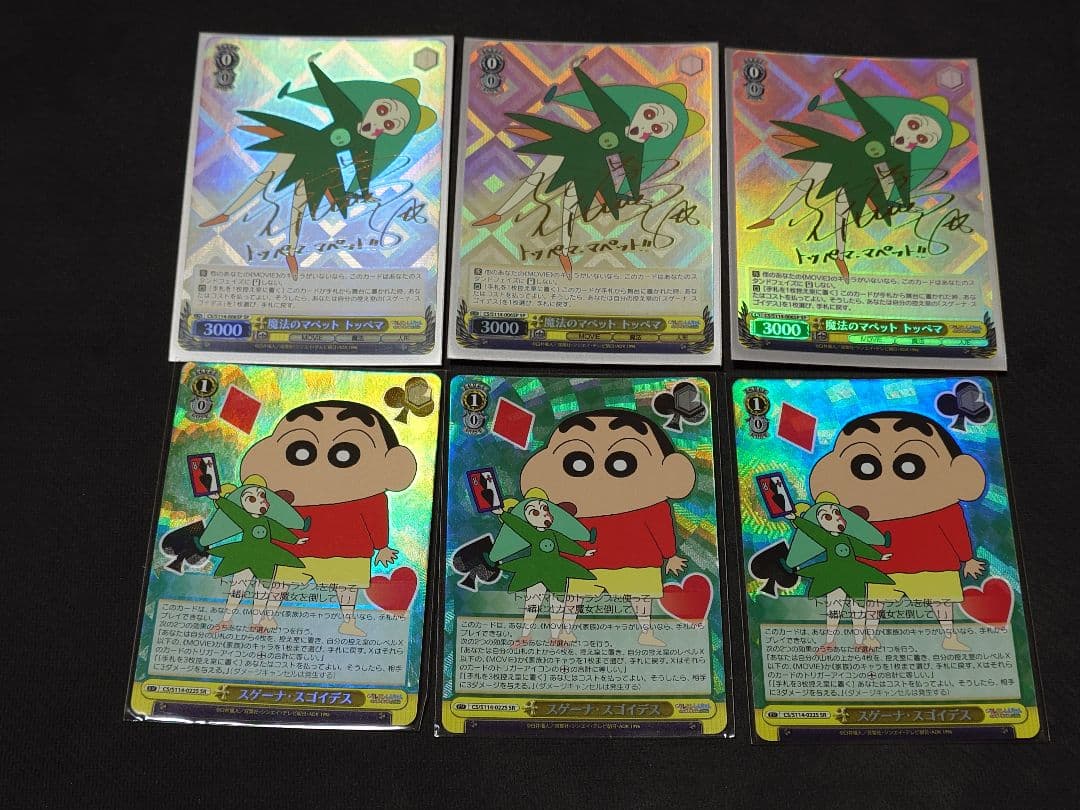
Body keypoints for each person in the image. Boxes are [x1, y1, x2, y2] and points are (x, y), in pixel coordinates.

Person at [809, 410, 987, 651]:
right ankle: (870, 636)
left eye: (910, 465)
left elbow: (955, 531)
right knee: (874, 602)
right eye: (865, 466)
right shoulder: (855, 517)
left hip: (934, 564)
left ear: (958, 473)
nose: (886, 480)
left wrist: (967, 558)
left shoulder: (944, 509)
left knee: (941, 600)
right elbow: (852, 541)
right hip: (882, 567)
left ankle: (949, 636)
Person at [519, 408, 695, 647]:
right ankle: (567, 631)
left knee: (640, 597)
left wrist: (670, 555)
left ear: (670, 472)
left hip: (638, 561)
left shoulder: (652, 507)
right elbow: (559, 535)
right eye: (577, 463)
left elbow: (661, 529)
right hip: (586, 562)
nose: (599, 476)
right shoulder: (565, 512)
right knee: (575, 596)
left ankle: (645, 632)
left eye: (623, 463)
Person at [240, 400, 418, 636]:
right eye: (300, 452)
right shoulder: (280, 497)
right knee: (281, 582)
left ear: (392, 465)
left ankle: (348, 622)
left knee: (346, 586)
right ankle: (268, 616)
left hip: (348, 551)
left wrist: (382, 546)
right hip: (296, 549)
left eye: (346, 454)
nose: (320, 466)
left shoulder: (369, 497)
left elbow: (375, 519)